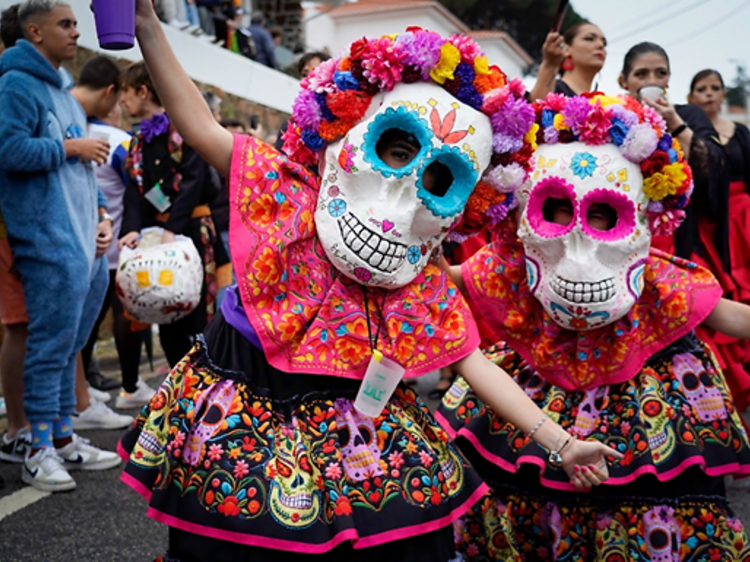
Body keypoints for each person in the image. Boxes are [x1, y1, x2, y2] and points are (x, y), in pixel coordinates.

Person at [118, 4, 620, 559]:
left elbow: (472, 363)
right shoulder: (286, 198)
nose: (403, 196)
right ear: (347, 131)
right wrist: (147, 25)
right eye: (395, 149)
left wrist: (562, 443)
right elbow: (203, 127)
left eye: (439, 178)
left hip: (357, 428)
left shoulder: (419, 277)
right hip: (243, 404)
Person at [437, 91, 750, 559]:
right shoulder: (519, 260)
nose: (578, 229)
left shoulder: (652, 272)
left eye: (602, 215)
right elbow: (458, 279)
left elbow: (725, 314)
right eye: (558, 208)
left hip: (645, 406)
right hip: (538, 395)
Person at [0, 0, 123, 492]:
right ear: (34, 31)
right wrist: (70, 148)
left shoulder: (67, 96)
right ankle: (38, 450)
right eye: (66, 24)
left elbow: (85, 171)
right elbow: (8, 151)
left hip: (82, 242)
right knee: (48, 348)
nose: (77, 33)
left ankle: (65, 437)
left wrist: (100, 218)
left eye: (76, 23)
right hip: (46, 237)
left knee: (69, 345)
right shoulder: (14, 85)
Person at [618, 43, 750, 412]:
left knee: (699, 316)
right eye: (642, 74)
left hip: (680, 238)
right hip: (625, 241)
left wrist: (676, 123)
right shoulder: (613, 114)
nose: (651, 81)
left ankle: (700, 412)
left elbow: (714, 169)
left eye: (660, 74)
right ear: (623, 80)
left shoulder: (688, 114)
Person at [119, 61, 227, 368]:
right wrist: (132, 229)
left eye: (125, 92)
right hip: (159, 234)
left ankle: (206, 386)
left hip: (191, 230)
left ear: (143, 91)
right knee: (165, 313)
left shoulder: (182, 128)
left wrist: (173, 229)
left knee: (198, 316)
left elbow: (193, 180)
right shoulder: (139, 141)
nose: (121, 101)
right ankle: (177, 392)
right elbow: (134, 190)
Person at [689, 68, 750, 413]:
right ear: (693, 96)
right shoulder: (691, 133)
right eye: (702, 88)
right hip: (710, 222)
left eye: (716, 87)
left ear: (724, 94)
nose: (710, 93)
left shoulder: (741, 133)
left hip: (745, 220)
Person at [530, 21, 607, 101]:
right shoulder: (553, 91)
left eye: (604, 43)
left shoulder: (601, 106)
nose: (600, 45)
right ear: (566, 49)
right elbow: (536, 107)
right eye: (590, 39)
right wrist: (550, 64)